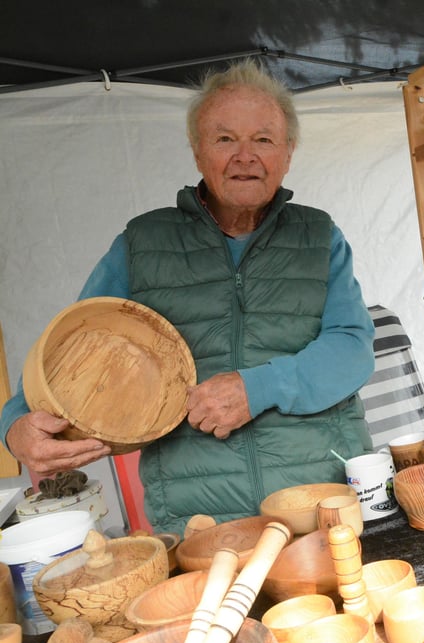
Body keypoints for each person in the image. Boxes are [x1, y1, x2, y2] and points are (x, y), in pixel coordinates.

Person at [0, 59, 375, 535]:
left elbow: (352, 348)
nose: (245, 156)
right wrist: (15, 425)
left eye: (263, 139)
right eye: (224, 139)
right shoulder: (142, 243)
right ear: (198, 153)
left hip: (322, 500)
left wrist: (256, 388)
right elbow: (70, 353)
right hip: (198, 516)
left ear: (288, 151)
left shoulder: (319, 235)